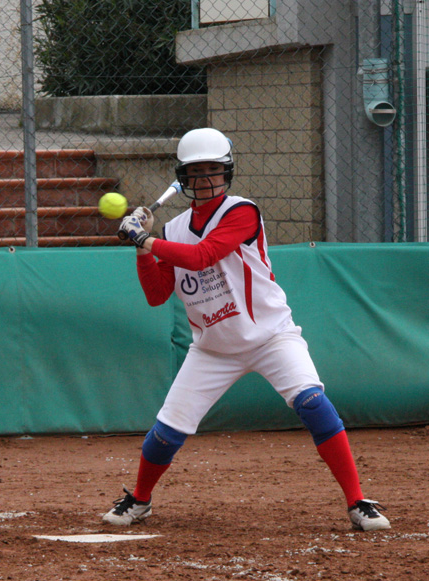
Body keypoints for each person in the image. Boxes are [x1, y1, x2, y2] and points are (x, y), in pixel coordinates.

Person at [105, 127, 390, 532]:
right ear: (182, 177)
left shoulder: (242, 211)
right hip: (212, 348)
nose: (204, 180)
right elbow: (157, 294)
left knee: (312, 402)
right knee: (167, 431)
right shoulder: (172, 231)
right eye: (195, 171)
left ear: (227, 173)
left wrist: (147, 241)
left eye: (213, 170)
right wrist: (141, 250)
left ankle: (358, 501)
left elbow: (204, 256)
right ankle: (140, 500)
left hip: (271, 336)